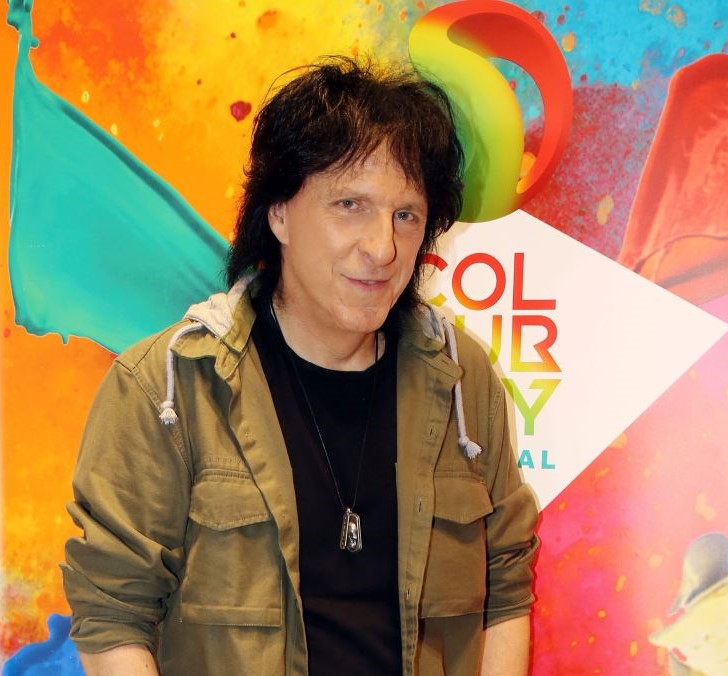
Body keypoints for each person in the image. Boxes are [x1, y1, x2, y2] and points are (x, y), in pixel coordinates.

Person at [62, 57, 540, 676]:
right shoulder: (168, 387)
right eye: (350, 204)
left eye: (406, 215)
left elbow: (506, 588)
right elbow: (112, 616)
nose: (383, 247)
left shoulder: (460, 378)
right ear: (278, 213)